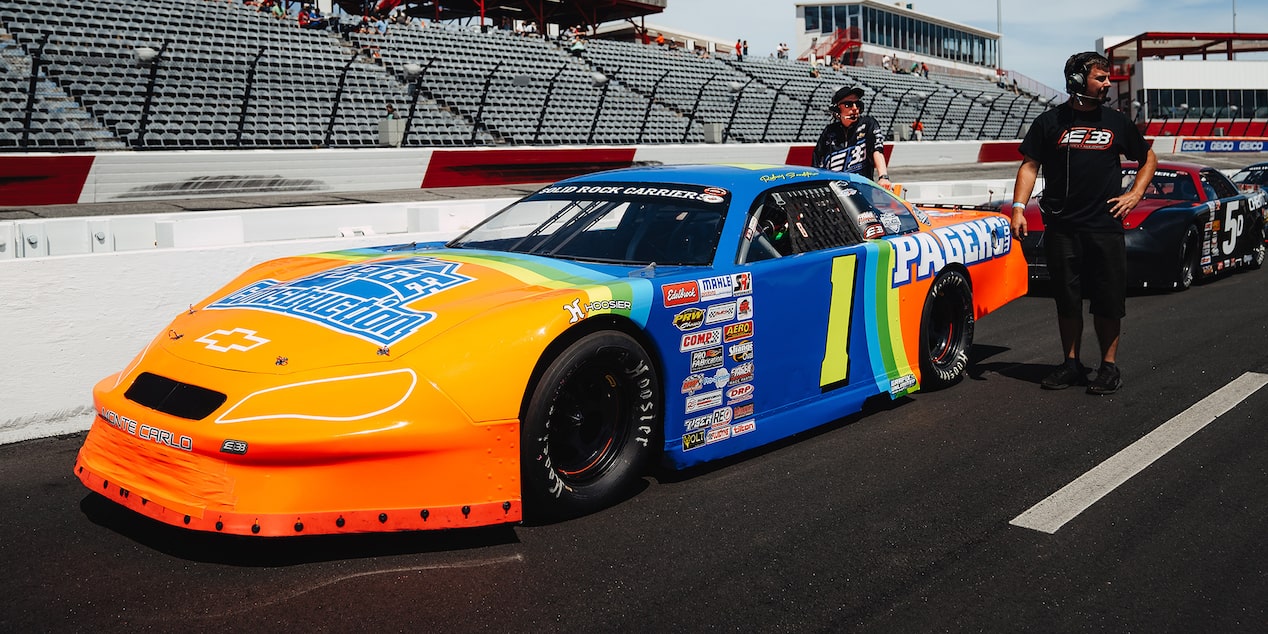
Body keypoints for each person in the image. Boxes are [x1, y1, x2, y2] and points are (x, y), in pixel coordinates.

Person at [1009, 51, 1158, 395]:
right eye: (1100, 78)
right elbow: (1029, 166)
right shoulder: (1049, 122)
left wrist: (1135, 194)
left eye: (1107, 77)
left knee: (1108, 301)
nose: (1108, 83)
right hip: (1062, 228)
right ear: (1077, 80)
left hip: (1104, 227)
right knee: (1067, 300)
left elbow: (1148, 157)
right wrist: (1018, 208)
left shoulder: (1117, 122)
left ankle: (1108, 367)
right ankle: (1071, 364)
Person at [812, 86, 891, 188]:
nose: (854, 108)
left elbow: (877, 150)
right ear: (837, 109)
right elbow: (817, 163)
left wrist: (883, 177)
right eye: (848, 104)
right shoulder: (829, 131)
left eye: (857, 104)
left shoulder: (868, 124)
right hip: (834, 190)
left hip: (862, 189)